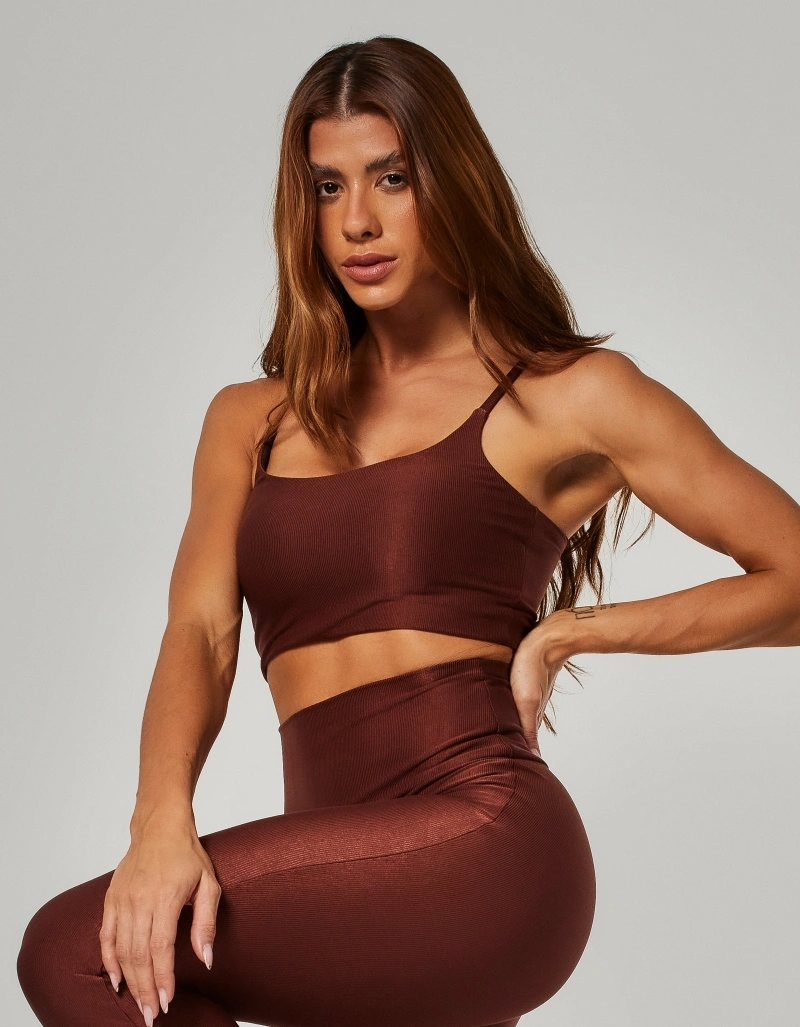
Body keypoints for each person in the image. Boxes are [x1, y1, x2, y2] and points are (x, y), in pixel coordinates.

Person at [16, 34, 800, 1027]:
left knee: (72, 954)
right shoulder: (249, 421)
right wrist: (159, 819)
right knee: (133, 967)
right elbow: (201, 633)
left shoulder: (559, 394)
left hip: (486, 840)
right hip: (348, 869)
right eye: (327, 186)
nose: (358, 220)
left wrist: (571, 631)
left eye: (391, 177)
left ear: (450, 181)